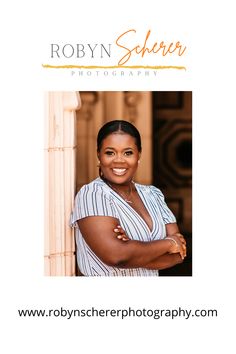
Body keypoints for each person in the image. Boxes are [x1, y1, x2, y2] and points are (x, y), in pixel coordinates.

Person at [70, 120, 186, 276]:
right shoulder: (92, 194)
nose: (119, 160)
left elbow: (179, 255)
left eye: (128, 152)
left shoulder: (153, 194)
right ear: (99, 155)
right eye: (110, 152)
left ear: (139, 155)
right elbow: (117, 256)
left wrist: (131, 249)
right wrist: (169, 242)